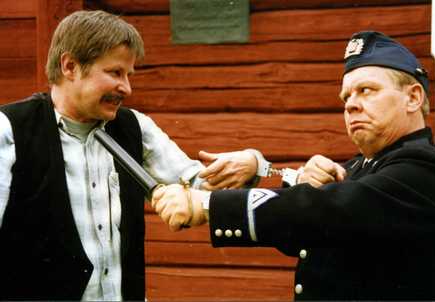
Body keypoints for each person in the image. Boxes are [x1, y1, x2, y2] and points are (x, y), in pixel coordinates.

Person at [152, 31, 435, 300]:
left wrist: (206, 204)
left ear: (412, 98)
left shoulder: (426, 170)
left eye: (366, 90)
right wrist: (279, 173)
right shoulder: (361, 168)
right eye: (346, 96)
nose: (350, 104)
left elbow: (326, 210)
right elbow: (303, 232)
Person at [0, 10, 261, 301]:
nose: (127, 87)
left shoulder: (135, 126)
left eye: (128, 75)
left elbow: (199, 188)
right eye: (115, 73)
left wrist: (253, 165)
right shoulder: (8, 129)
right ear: (70, 66)